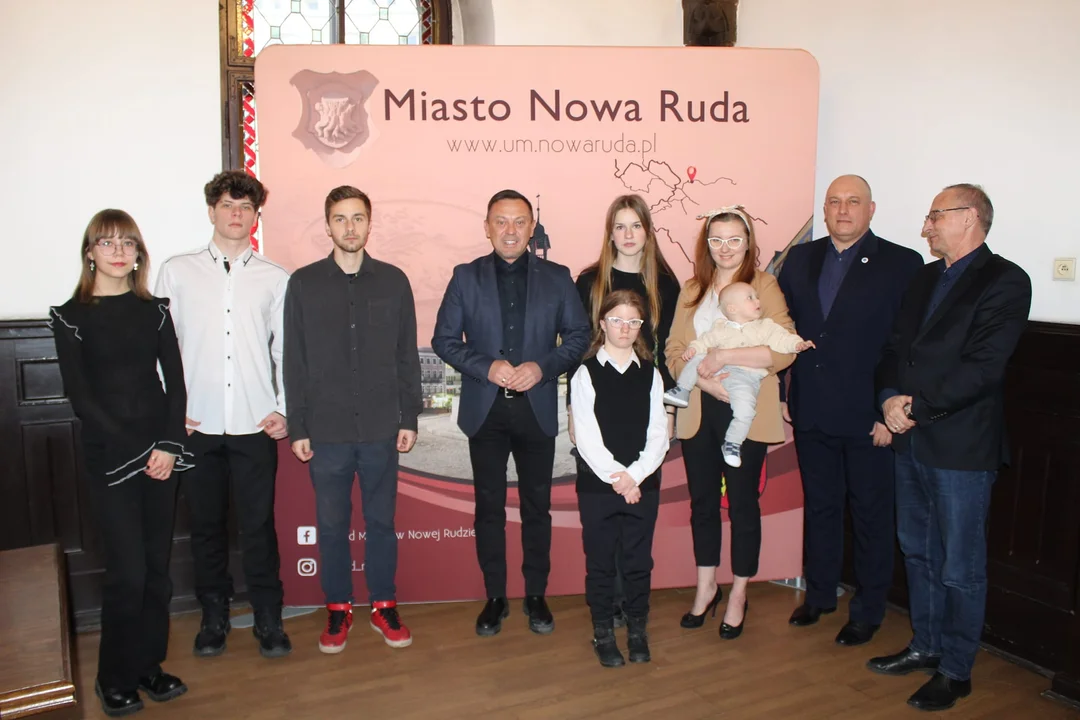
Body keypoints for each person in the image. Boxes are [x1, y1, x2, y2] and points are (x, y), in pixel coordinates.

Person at [869, 184, 1031, 712]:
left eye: (936, 216)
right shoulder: (923, 277)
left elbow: (984, 368)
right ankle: (926, 646)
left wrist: (915, 408)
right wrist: (888, 398)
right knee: (917, 551)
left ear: (969, 217)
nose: (926, 226)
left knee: (960, 566)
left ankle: (956, 670)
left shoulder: (1006, 280)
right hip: (911, 440)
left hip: (961, 447)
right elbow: (895, 349)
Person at [50, 210, 191, 717]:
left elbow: (175, 384)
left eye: (127, 243)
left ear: (138, 255)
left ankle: (149, 666)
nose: (117, 251)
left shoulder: (155, 310)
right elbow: (82, 399)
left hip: (161, 455)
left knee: (156, 571)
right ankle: (113, 677)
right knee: (127, 574)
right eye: (106, 243)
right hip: (111, 458)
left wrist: (168, 446)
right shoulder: (70, 316)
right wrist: (141, 450)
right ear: (90, 253)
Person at [432, 189, 591, 637]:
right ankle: (495, 597)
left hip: (536, 411)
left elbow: (579, 337)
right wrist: (487, 366)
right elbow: (444, 340)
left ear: (531, 229)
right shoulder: (465, 277)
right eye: (500, 221)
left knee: (537, 508)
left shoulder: (558, 278)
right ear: (486, 227)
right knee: (489, 509)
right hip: (485, 412)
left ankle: (536, 595)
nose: (510, 230)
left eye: (520, 222)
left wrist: (542, 368)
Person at [776, 175, 924, 646]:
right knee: (821, 507)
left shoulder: (902, 263)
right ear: (824, 210)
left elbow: (906, 344)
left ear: (871, 209)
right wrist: (782, 391)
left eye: (853, 202)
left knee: (870, 515)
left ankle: (868, 609)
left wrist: (888, 410)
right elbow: (780, 329)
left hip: (869, 416)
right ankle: (819, 595)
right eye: (834, 202)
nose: (843, 210)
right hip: (811, 408)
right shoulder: (800, 259)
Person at [155, 170, 292, 659]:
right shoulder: (177, 271)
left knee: (258, 527)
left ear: (256, 216)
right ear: (211, 210)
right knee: (207, 529)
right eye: (228, 205)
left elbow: (286, 352)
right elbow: (161, 348)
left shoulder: (275, 277)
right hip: (197, 424)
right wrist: (171, 411)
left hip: (255, 424)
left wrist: (283, 408)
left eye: (246, 207)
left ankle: (268, 617)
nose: (237, 214)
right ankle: (213, 616)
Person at [283, 186, 422, 653]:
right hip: (327, 431)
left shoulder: (394, 281)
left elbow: (406, 355)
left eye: (358, 218)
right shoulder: (303, 284)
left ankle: (384, 605)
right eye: (340, 218)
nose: (349, 227)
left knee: (381, 523)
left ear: (369, 223)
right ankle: (338, 609)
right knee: (331, 527)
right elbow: (295, 361)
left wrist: (409, 416)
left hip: (382, 428)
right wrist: (298, 425)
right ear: (328, 226)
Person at [665, 206, 797, 638]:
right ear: (707, 244)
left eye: (734, 239)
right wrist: (704, 382)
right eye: (716, 239)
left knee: (742, 505)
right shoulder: (692, 289)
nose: (725, 248)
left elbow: (783, 350)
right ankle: (706, 587)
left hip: (746, 411)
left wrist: (725, 357)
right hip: (700, 410)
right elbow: (674, 350)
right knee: (702, 503)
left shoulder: (764, 286)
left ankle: (739, 592)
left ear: (748, 242)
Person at [568, 193, 681, 626]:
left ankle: (630, 609)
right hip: (596, 404)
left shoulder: (665, 284)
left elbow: (667, 351)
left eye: (636, 225)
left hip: (647, 404)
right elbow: (577, 346)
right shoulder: (589, 281)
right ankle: (607, 606)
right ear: (610, 233)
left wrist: (669, 410)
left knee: (636, 514)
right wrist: (572, 412)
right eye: (620, 226)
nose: (628, 234)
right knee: (603, 505)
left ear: (648, 232)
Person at [570, 290, 668, 668]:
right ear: (602, 323)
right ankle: (603, 633)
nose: (624, 328)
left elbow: (658, 434)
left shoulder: (651, 373)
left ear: (640, 327)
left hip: (643, 485)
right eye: (617, 320)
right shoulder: (586, 373)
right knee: (600, 563)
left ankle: (638, 631)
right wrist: (618, 478)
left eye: (633, 322)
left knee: (638, 561)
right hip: (599, 486)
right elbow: (586, 435)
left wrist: (635, 476)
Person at [665, 281, 815, 467]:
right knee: (697, 358)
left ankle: (732, 443)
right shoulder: (720, 327)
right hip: (715, 373)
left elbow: (783, 339)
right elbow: (704, 341)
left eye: (756, 297)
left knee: (746, 411)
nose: (757, 301)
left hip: (745, 378)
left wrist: (798, 344)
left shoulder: (766, 327)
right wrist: (694, 349)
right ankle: (682, 390)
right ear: (732, 308)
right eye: (750, 298)